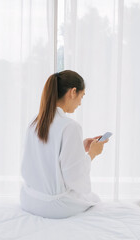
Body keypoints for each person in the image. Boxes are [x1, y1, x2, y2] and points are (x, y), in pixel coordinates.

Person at [20, 70, 109, 219]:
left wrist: (79, 147)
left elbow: (45, 155)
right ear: (73, 92)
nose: (80, 103)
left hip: (29, 199)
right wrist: (92, 154)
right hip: (53, 207)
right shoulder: (70, 127)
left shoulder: (35, 121)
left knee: (90, 198)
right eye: (82, 96)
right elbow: (74, 178)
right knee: (93, 199)